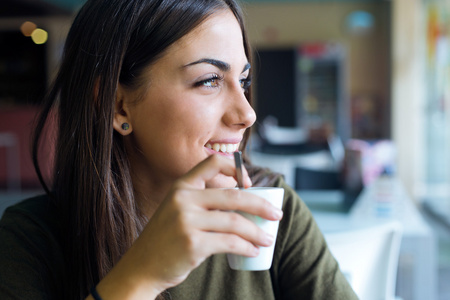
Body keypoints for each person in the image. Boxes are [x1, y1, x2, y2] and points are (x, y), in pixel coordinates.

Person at [0, 0, 358, 299]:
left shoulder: (270, 208)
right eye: (209, 81)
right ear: (116, 106)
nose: (247, 114)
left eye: (243, 81)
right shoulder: (30, 243)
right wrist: (142, 276)